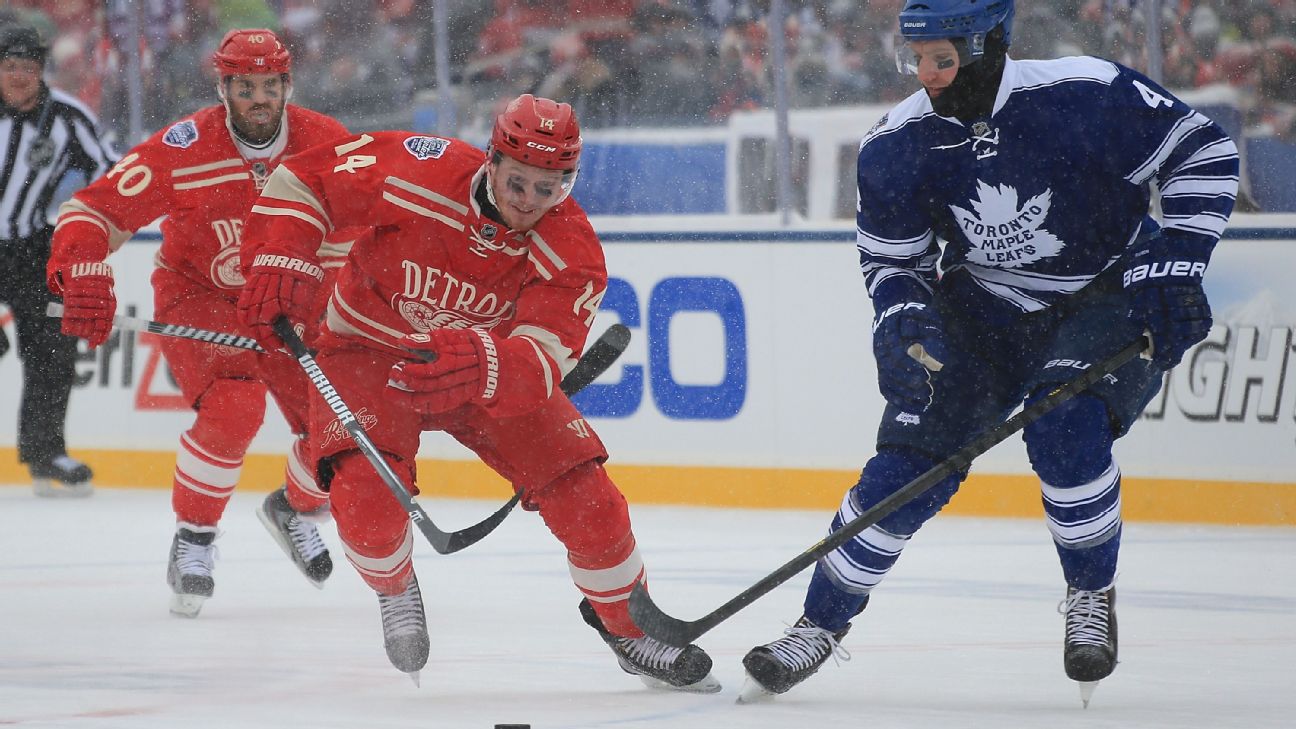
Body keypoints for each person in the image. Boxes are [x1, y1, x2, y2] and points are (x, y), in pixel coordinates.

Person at [740, 0, 1238, 705]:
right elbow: (892, 260)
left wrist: (1181, 258)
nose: (929, 77)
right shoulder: (896, 143)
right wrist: (902, 310)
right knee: (903, 470)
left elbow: (1204, 150)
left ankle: (1091, 590)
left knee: (1064, 426)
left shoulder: (1082, 91)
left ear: (991, 44)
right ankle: (817, 623)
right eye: (916, 60)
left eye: (944, 60)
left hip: (1105, 289)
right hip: (986, 306)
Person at [233, 93, 721, 691]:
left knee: (589, 500)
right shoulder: (419, 166)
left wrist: (490, 361)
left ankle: (627, 629)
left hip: (481, 374)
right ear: (491, 160)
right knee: (366, 506)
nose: (528, 203)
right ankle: (394, 588)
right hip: (368, 350)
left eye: (549, 190)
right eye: (518, 182)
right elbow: (305, 181)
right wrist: (282, 251)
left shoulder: (572, 251)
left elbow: (544, 358)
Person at [47, 29, 355, 618]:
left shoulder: (327, 144)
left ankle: (291, 507)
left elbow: (369, 227)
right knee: (235, 408)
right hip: (203, 296)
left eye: (270, 86)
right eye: (245, 87)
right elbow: (94, 209)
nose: (259, 99)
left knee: (341, 418)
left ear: (288, 86)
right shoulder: (185, 146)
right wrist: (83, 265)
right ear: (224, 88)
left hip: (295, 300)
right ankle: (194, 537)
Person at [0, 22, 116, 498]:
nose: (17, 76)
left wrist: (81, 219)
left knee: (54, 347)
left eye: (27, 66)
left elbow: (113, 173)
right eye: (7, 66)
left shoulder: (67, 116)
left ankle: (46, 452)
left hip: (30, 247)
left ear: (42, 70)